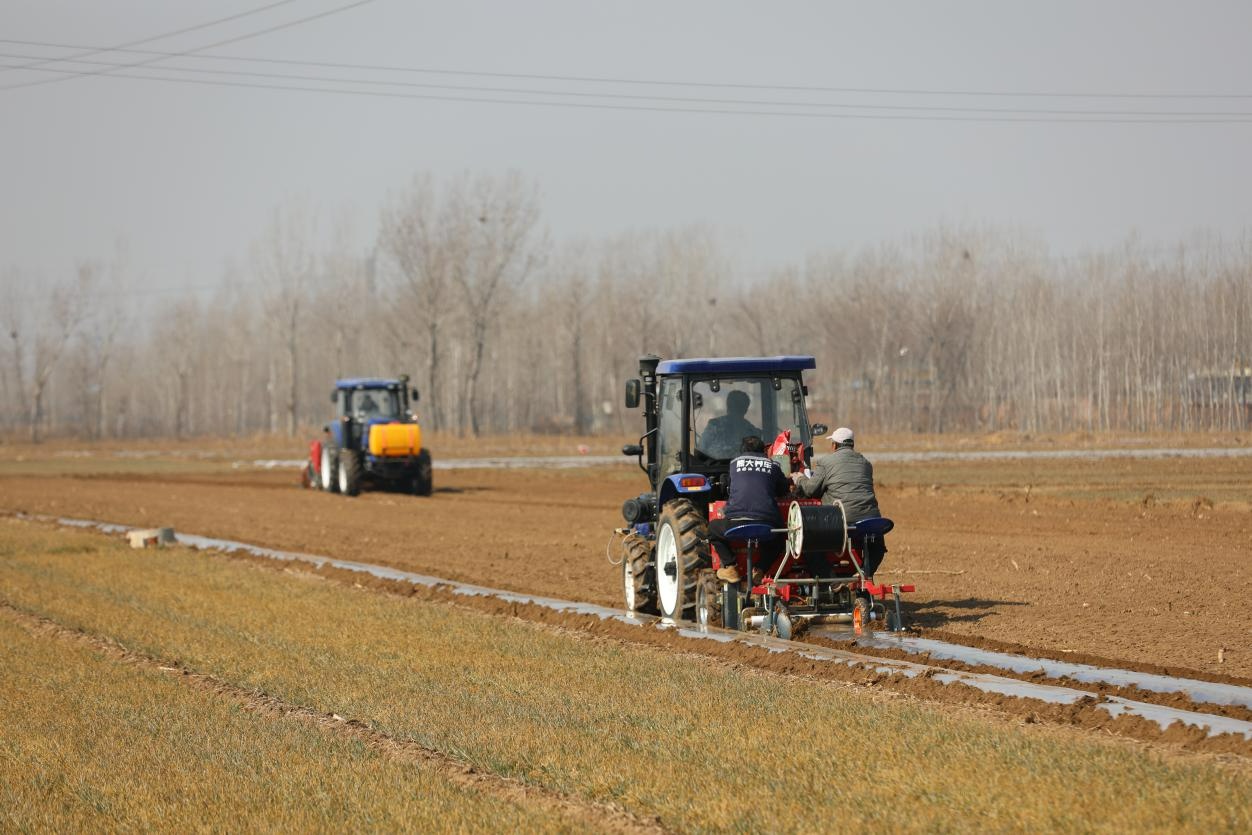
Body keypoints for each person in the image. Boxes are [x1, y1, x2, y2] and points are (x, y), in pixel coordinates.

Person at [791, 426, 886, 574]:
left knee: (809, 545)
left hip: (843, 520)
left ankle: (832, 580)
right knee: (877, 548)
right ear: (852, 445)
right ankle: (864, 577)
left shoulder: (826, 462)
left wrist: (799, 479)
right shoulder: (866, 463)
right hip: (871, 520)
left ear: (834, 445)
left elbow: (810, 490)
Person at [709, 435, 791, 583]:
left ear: (743, 450)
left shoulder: (734, 463)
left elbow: (730, 488)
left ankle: (730, 567)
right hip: (766, 523)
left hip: (736, 523)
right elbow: (783, 489)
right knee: (780, 539)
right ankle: (759, 569)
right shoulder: (773, 465)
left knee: (713, 528)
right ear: (763, 450)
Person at [699, 390, 762, 459]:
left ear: (728, 406)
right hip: (717, 468)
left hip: (727, 468)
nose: (735, 408)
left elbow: (702, 448)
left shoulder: (714, 425)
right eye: (734, 405)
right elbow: (702, 451)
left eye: (737, 406)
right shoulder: (752, 432)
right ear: (746, 409)